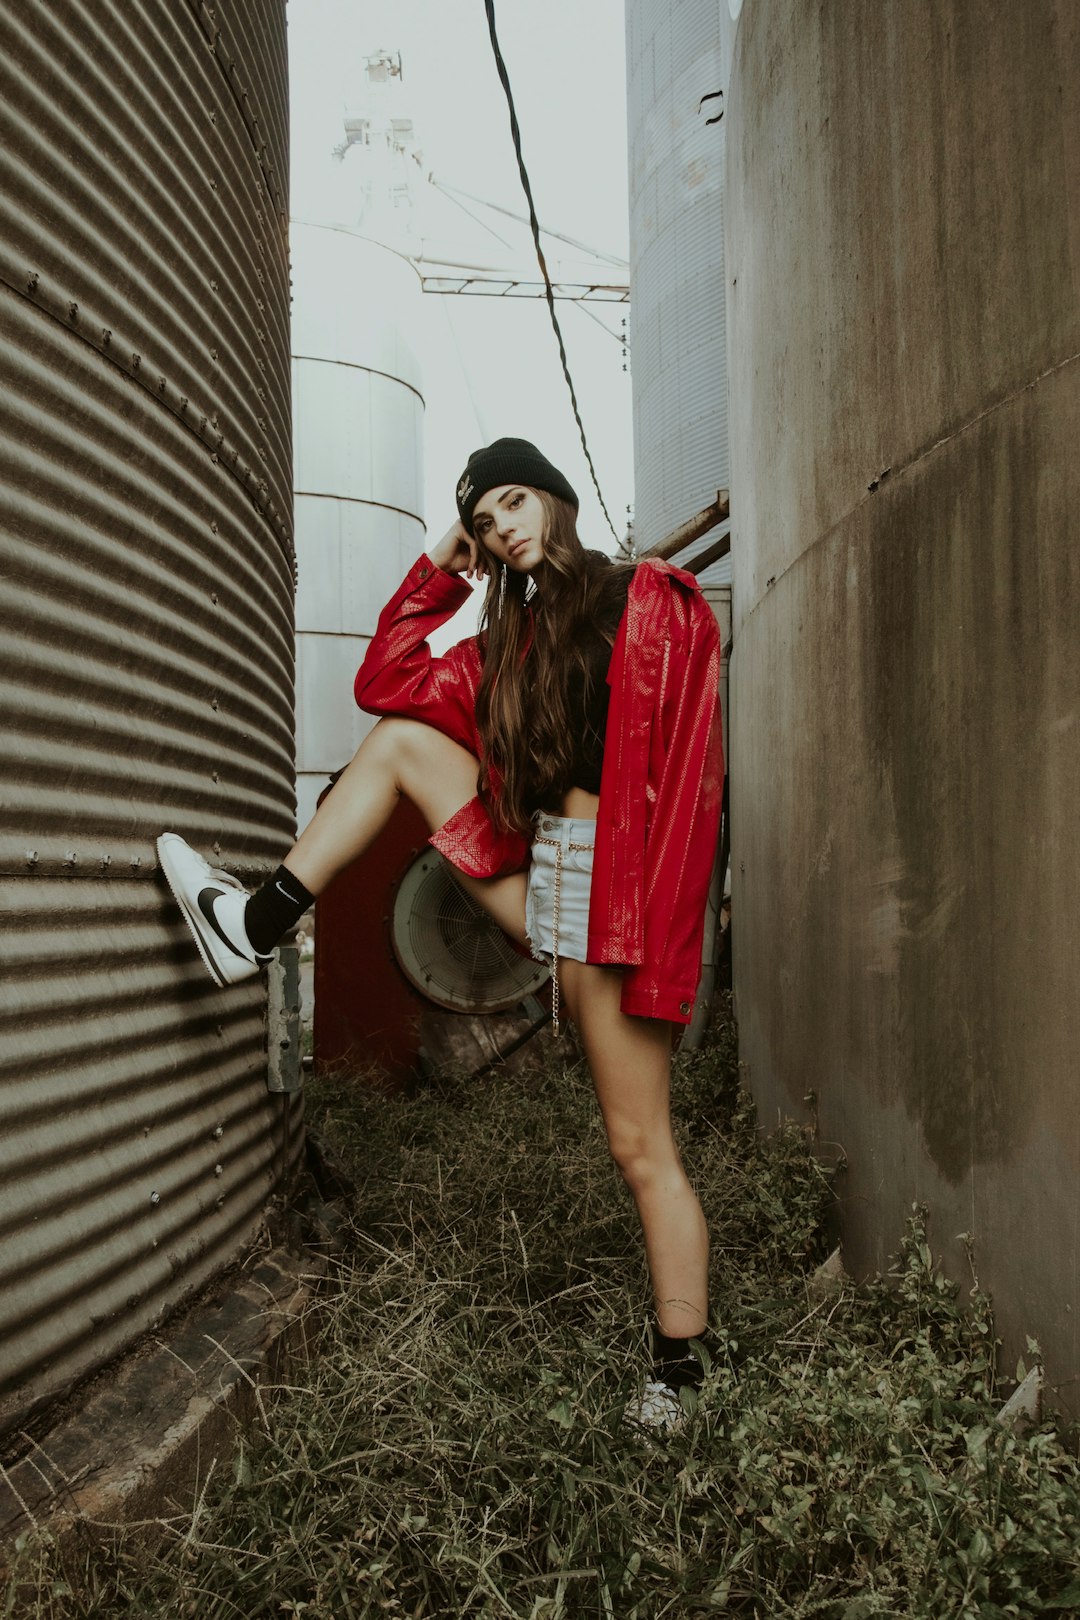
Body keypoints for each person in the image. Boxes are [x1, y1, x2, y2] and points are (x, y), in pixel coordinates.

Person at [158, 438, 724, 1428]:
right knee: (400, 743)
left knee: (641, 1147)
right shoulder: (505, 649)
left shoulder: (649, 598)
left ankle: (681, 1370)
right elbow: (383, 680)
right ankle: (258, 925)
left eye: (513, 501)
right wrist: (438, 565)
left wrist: (662, 927)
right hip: (551, 880)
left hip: (622, 891)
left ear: (553, 498)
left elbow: (690, 779)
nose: (503, 525)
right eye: (484, 519)